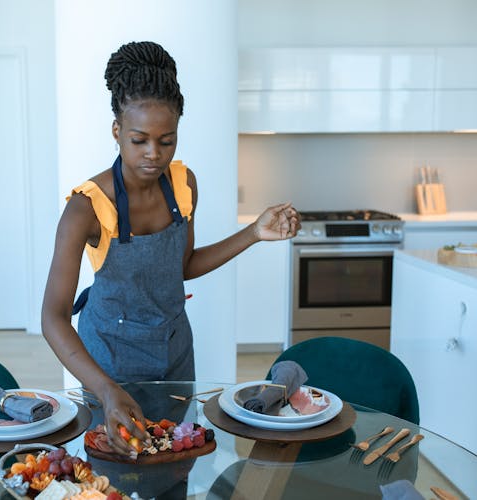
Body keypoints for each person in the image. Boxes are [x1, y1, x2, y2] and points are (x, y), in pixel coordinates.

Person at [41, 41, 300, 457]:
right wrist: (106, 392)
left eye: (167, 140)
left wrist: (253, 233)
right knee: (114, 475)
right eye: (139, 140)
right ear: (116, 131)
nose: (153, 155)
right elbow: (52, 318)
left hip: (175, 356)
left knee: (176, 466)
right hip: (108, 364)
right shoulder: (85, 209)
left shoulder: (183, 185)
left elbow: (183, 266)